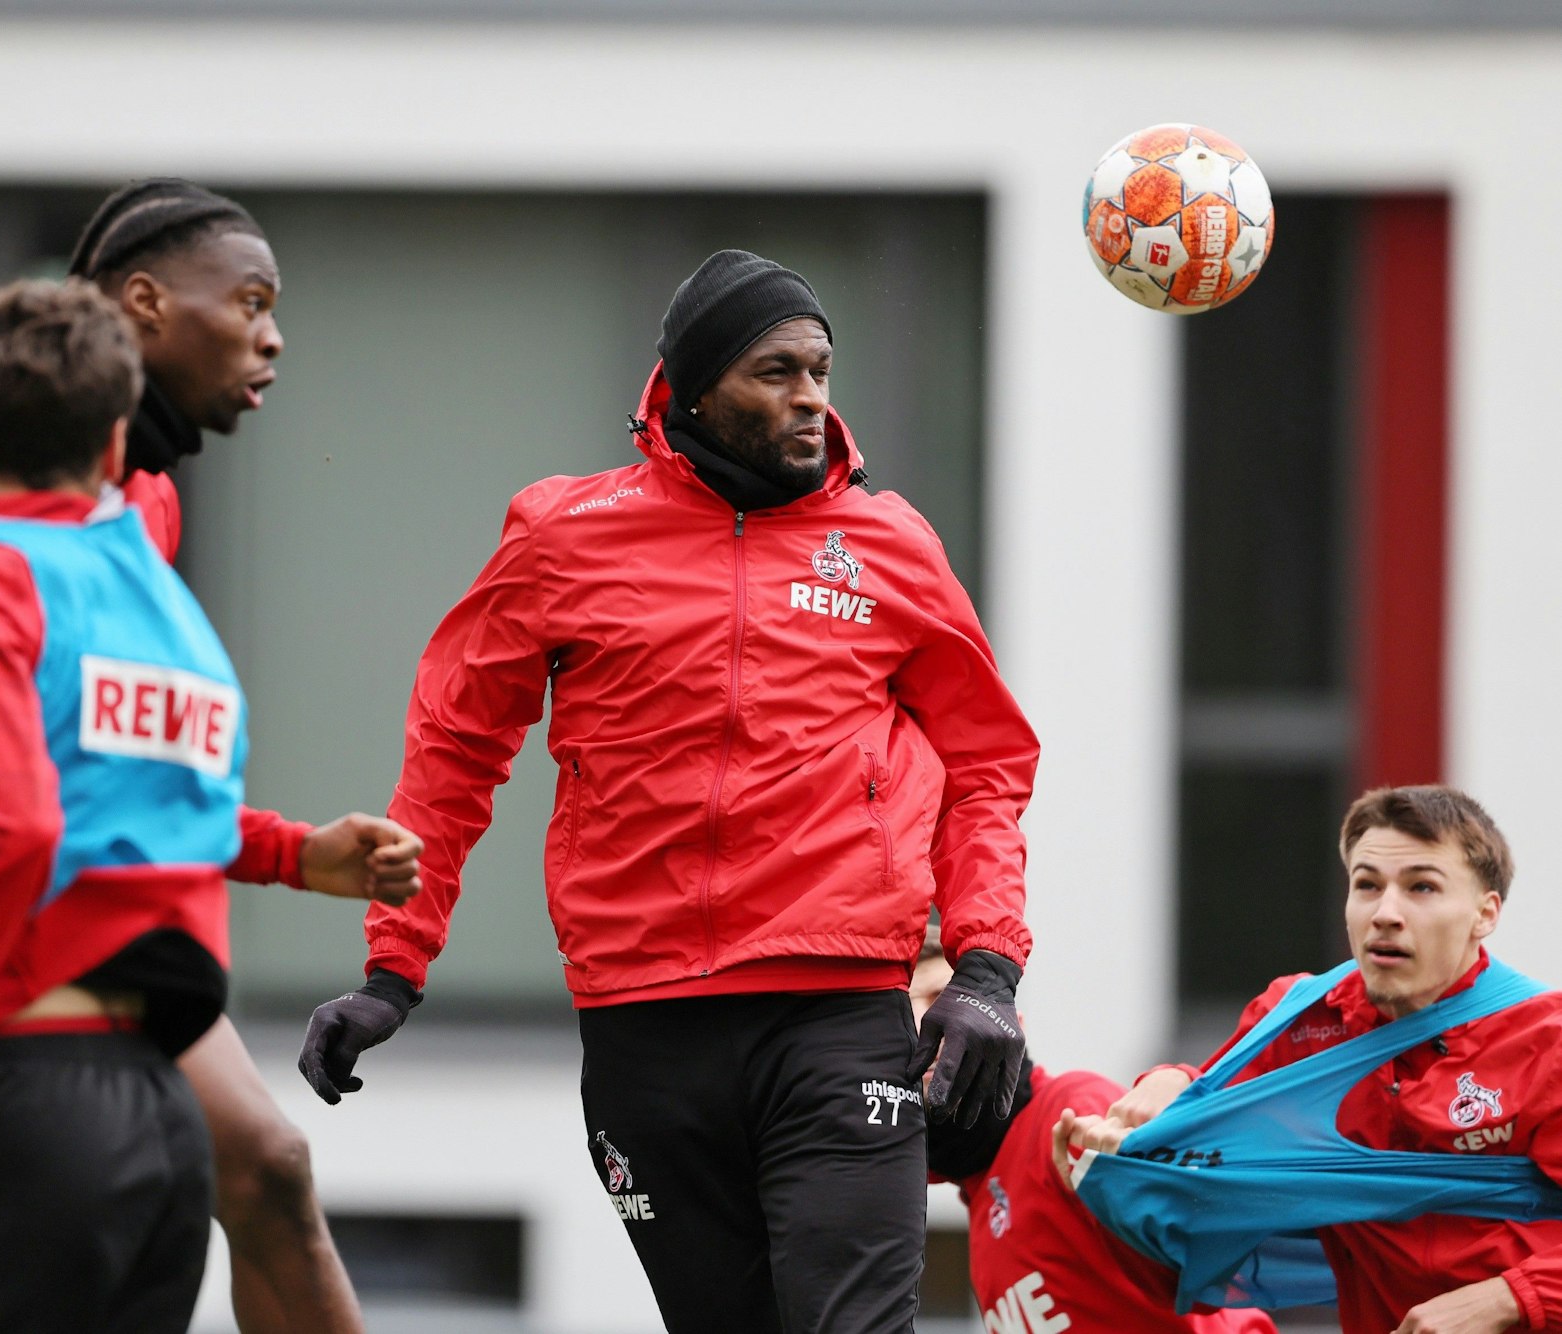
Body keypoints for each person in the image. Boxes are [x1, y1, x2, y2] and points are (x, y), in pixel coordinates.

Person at [299, 249, 1041, 1332]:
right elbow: (454, 746)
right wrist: (392, 963)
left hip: (835, 1014)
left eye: (819, 370)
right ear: (690, 386)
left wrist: (984, 969)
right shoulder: (562, 534)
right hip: (643, 1026)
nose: (808, 401)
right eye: (772, 372)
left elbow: (987, 763)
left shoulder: (889, 545)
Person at [0, 179, 367, 1333]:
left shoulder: (137, 505)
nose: (273, 335)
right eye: (248, 301)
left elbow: (87, 782)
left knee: (265, 1162)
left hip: (36, 929)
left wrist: (293, 852)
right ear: (144, 303)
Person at [1056, 785, 1562, 1333]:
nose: (1386, 912)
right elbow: (1200, 1138)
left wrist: (1506, 1299)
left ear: (1485, 914)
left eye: (1422, 887)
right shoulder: (1298, 1020)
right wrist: (1131, 1142)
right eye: (1367, 885)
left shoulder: (1544, 1040)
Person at [909, 927, 1278, 1333]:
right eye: (908, 1012)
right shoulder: (980, 1197)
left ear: (1013, 1026)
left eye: (941, 998)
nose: (932, 1024)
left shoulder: (1068, 1113)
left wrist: (1177, 1093)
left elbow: (1216, 1232)